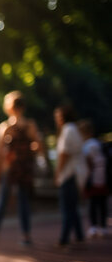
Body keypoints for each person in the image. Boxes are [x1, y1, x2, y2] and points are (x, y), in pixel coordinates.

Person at [0, 91, 44, 246]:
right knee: (23, 201)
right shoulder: (30, 125)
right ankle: (26, 235)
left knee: (3, 200)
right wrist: (27, 151)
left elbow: (0, 153)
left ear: (9, 108)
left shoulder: (5, 127)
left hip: (11, 168)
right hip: (25, 168)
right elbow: (39, 146)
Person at [54, 105, 86, 248]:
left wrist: (58, 172)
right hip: (74, 172)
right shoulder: (73, 129)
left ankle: (64, 239)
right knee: (73, 207)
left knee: (67, 208)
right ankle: (79, 236)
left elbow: (64, 154)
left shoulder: (68, 130)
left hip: (69, 174)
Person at [78, 120, 108, 238]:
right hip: (103, 177)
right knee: (102, 203)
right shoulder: (98, 143)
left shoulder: (86, 146)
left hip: (92, 178)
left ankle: (94, 226)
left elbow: (88, 162)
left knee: (93, 203)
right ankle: (103, 226)